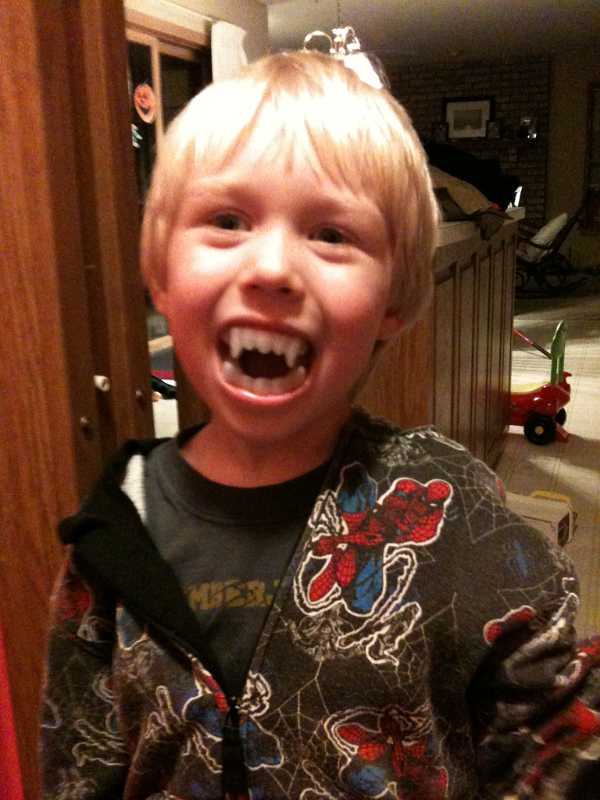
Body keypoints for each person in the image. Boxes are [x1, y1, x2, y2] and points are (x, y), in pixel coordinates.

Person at [41, 51, 599, 800]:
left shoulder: (451, 507)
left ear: (393, 299)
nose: (272, 268)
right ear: (161, 274)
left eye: (332, 234)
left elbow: (554, 732)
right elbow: (78, 764)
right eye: (227, 221)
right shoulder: (112, 533)